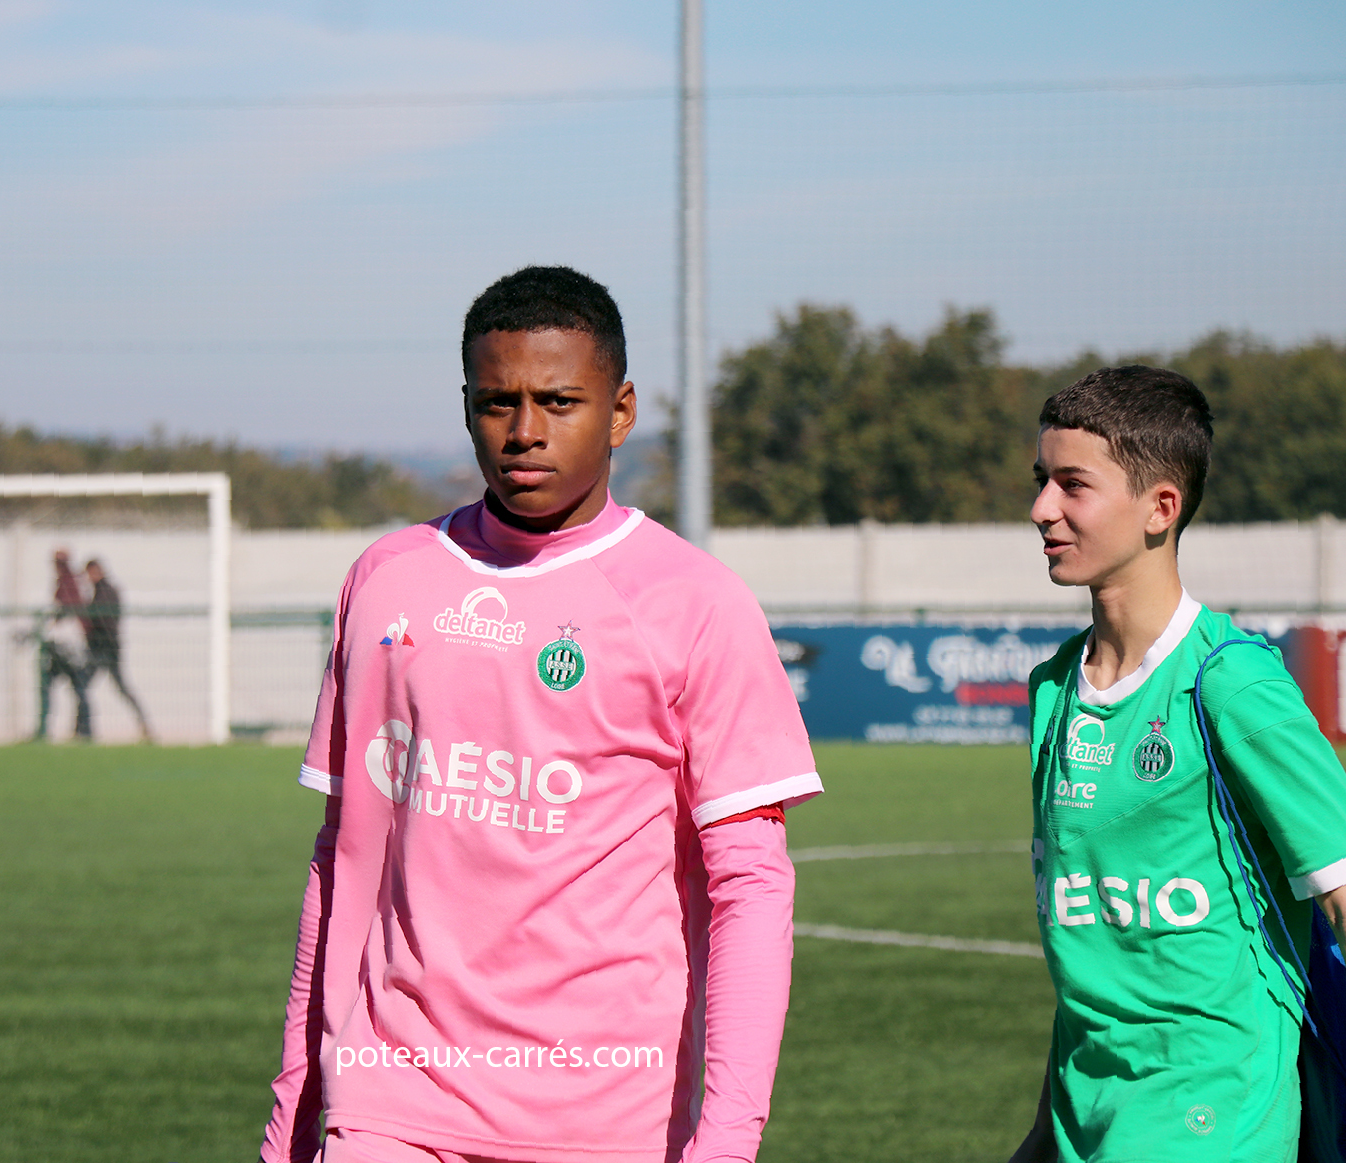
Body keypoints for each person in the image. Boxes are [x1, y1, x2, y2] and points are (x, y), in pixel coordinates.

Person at [259, 265, 822, 1163]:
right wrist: (296, 1107)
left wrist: (726, 1141)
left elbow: (752, 884)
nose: (524, 431)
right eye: (498, 402)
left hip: (604, 1118)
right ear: (467, 407)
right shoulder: (386, 578)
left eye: (559, 402)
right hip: (388, 1102)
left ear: (620, 411)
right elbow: (343, 854)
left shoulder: (697, 603)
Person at [1010, 365, 1346, 1162]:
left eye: (1073, 484)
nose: (1041, 507)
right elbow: (1091, 954)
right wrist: (1045, 1132)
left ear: (1161, 507)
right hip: (1085, 1120)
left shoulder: (1234, 682)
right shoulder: (1053, 689)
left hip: (1209, 1113)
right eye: (1042, 479)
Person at [82, 558, 153, 742]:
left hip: (106, 648)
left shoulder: (106, 592)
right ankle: (81, 729)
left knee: (85, 686)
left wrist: (89, 619)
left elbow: (105, 620)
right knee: (83, 686)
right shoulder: (99, 591)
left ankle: (83, 730)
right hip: (102, 648)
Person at [35, 547, 92, 741]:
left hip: (69, 646)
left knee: (79, 688)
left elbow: (69, 609)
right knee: (58, 686)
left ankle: (84, 731)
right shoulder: (66, 581)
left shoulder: (69, 582)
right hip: (63, 645)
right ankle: (44, 729)